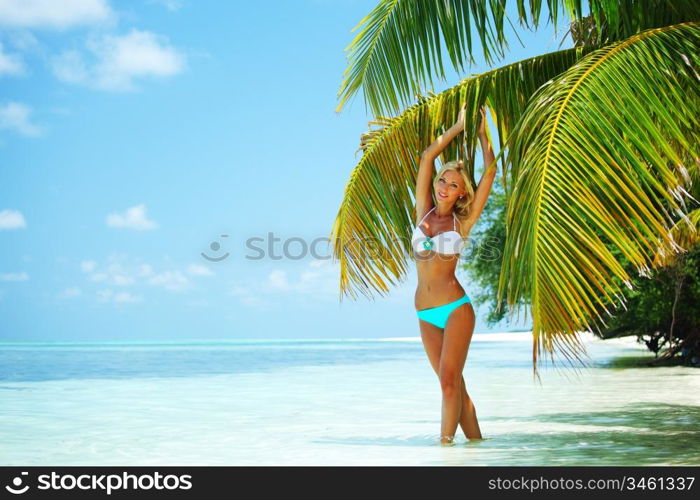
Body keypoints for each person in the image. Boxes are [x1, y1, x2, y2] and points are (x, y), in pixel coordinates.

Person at [412, 105, 496, 444]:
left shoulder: (463, 221)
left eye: (454, 184)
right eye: (443, 180)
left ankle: (443, 449)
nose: (445, 186)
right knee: (454, 385)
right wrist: (457, 127)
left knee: (449, 382)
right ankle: (477, 448)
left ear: (463, 192)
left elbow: (490, 172)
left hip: (456, 309)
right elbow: (426, 158)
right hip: (425, 312)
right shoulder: (423, 212)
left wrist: (480, 132)